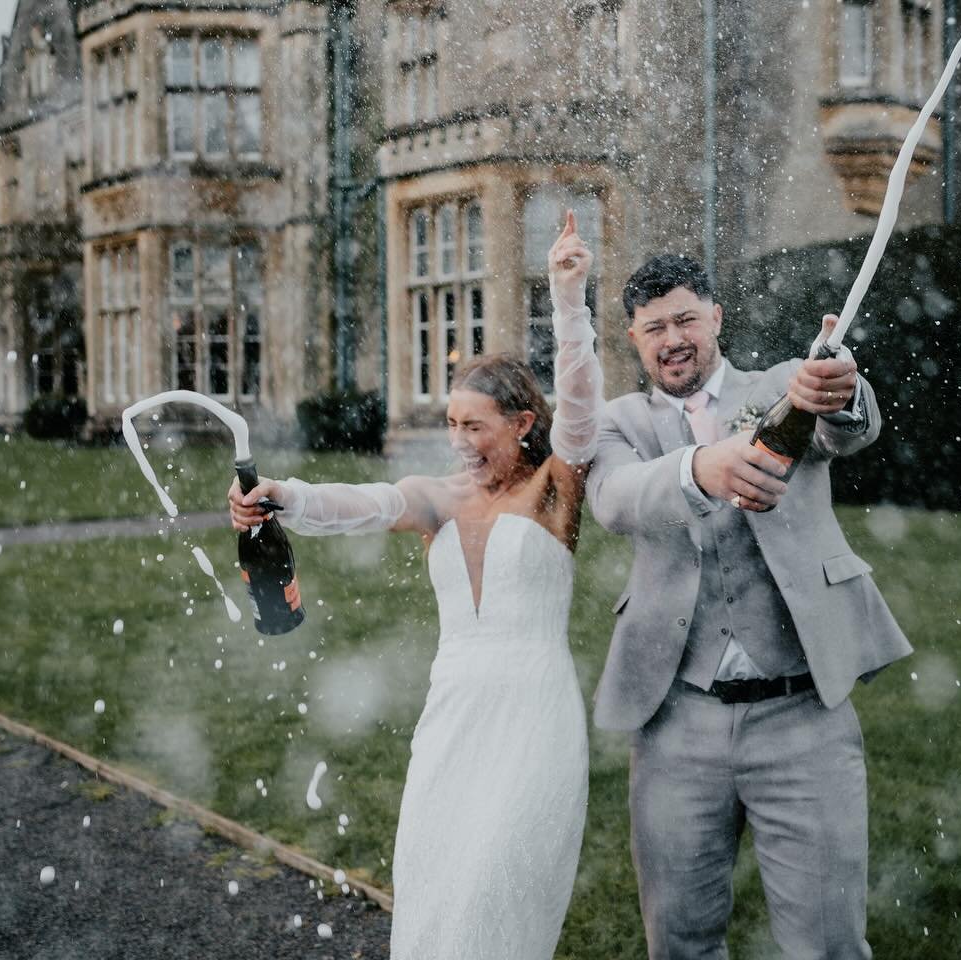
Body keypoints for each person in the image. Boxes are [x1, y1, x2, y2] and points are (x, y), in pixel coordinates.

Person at [228, 213, 602, 960]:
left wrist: (568, 300)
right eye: (451, 423)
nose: (459, 442)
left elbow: (584, 407)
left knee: (497, 884)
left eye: (476, 426)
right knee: (436, 883)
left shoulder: (557, 489)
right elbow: (360, 505)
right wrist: (281, 494)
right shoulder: (441, 496)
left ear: (525, 423)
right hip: (453, 710)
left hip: (533, 713)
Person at [586, 254, 912, 959]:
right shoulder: (618, 424)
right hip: (676, 720)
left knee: (827, 942)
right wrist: (701, 467)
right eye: (652, 328)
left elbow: (843, 428)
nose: (672, 339)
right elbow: (613, 499)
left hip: (802, 718)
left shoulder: (778, 385)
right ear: (633, 340)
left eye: (686, 320)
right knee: (678, 940)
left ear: (717, 319)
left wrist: (841, 387)